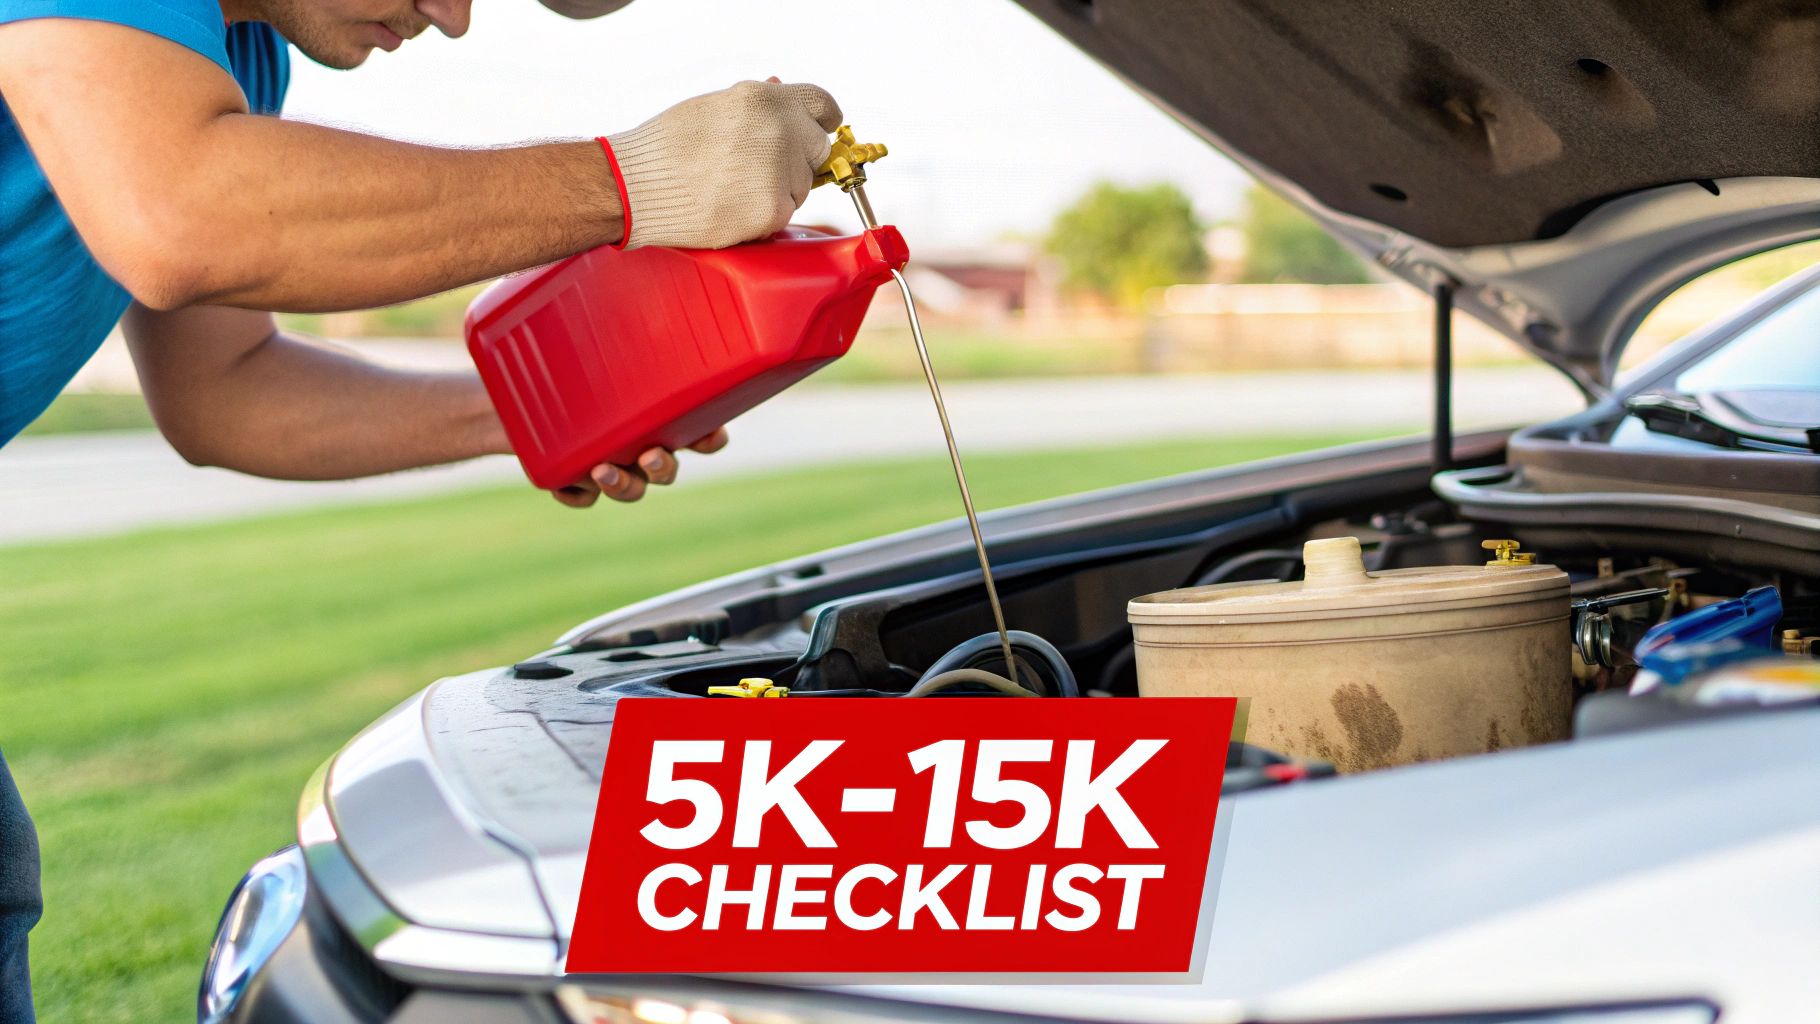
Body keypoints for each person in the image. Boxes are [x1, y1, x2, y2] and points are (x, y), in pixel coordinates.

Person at [0, 1, 843, 1018]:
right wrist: (637, 178)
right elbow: (180, 215)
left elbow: (225, 391)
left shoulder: (234, 57)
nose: (452, 18)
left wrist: (549, 406)